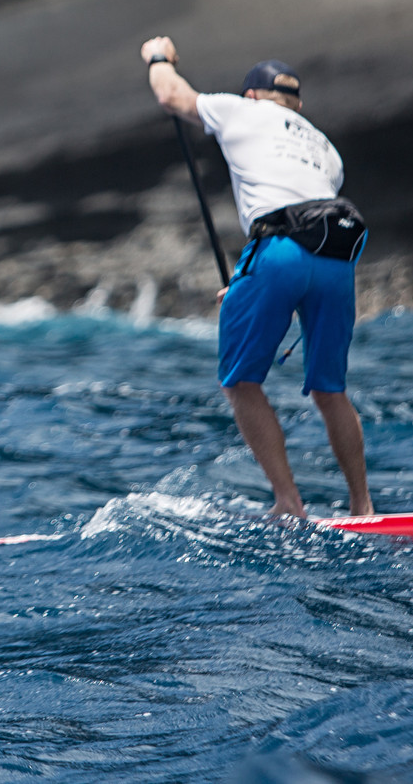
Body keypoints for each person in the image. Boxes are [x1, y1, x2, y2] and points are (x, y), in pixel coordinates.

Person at [139, 36, 373, 518]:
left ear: (251, 96)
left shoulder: (240, 111)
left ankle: (288, 503)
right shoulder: (327, 150)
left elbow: (170, 95)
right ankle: (363, 506)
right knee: (331, 390)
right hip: (337, 259)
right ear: (298, 104)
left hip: (279, 254)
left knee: (241, 382)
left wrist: (159, 57)